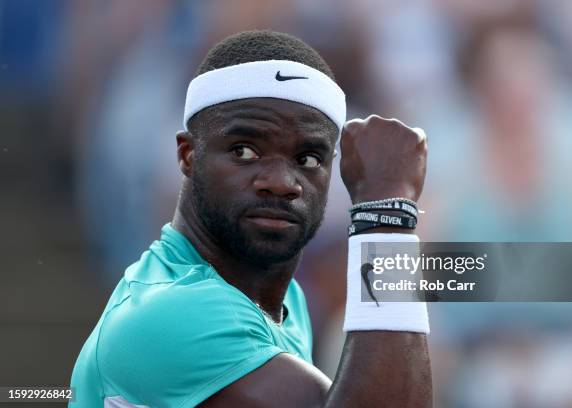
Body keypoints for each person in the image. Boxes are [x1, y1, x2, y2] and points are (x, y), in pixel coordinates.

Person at [69, 30, 431, 408]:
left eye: (307, 158)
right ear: (188, 155)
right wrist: (388, 212)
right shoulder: (174, 314)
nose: (280, 183)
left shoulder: (282, 298)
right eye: (244, 151)